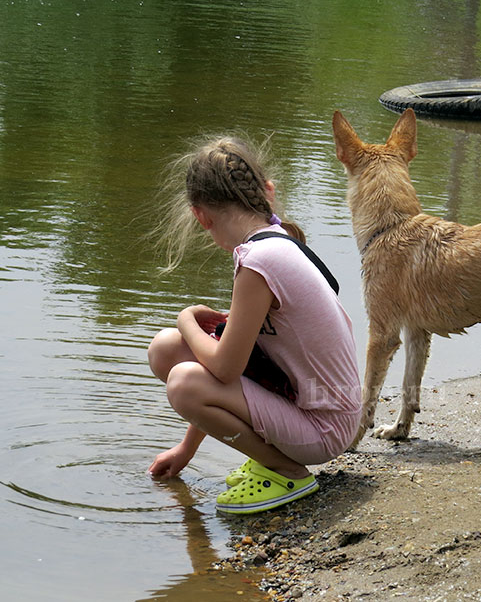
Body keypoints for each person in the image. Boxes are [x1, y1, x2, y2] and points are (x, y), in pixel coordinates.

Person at [146, 134, 360, 514]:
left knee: (183, 381)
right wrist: (186, 450)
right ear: (267, 192)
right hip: (310, 406)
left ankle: (286, 472)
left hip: (324, 429)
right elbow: (237, 366)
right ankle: (268, 457)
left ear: (201, 215)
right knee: (167, 349)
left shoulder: (259, 261)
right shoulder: (275, 242)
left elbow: (225, 370)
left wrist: (187, 319)